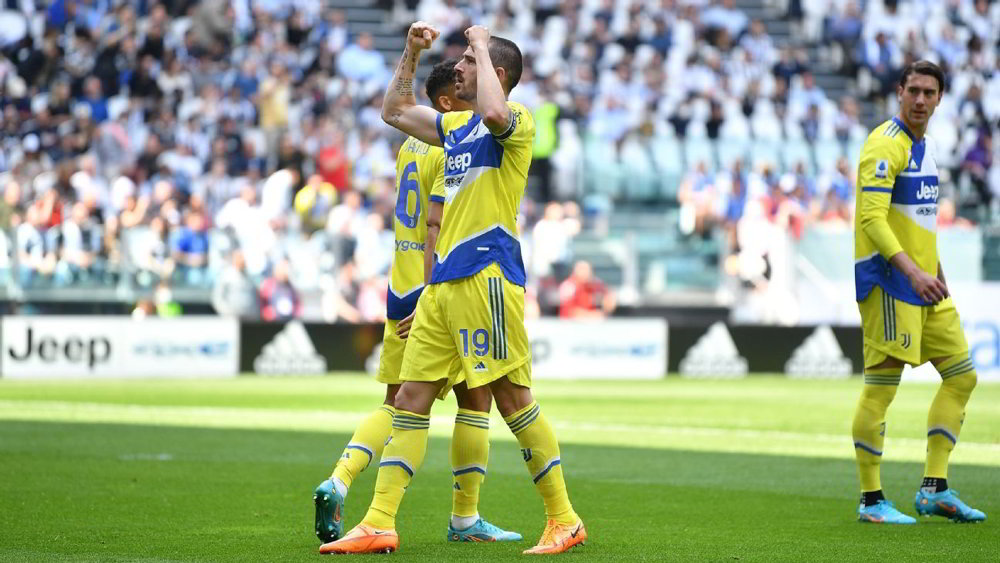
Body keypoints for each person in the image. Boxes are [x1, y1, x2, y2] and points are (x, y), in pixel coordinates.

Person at [321, 23, 585, 556]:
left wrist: (483, 46)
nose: (459, 65)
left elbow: (495, 113)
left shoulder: (516, 122)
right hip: (442, 286)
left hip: (487, 276)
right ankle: (378, 522)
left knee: (512, 401)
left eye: (467, 60)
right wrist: (411, 54)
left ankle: (564, 519)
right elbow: (393, 112)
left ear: (496, 72)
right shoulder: (455, 131)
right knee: (411, 400)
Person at [313, 60, 520, 547]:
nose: (475, 97)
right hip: (436, 289)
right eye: (463, 90)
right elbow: (435, 223)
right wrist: (433, 298)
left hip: (399, 284)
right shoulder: (446, 143)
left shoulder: (410, 142)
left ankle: (340, 478)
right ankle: (463, 518)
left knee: (398, 401)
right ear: (446, 102)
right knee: (474, 398)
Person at [851, 61, 985, 525]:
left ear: (940, 98)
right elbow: (872, 219)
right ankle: (871, 501)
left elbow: (920, 221)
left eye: (930, 92)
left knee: (962, 377)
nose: (921, 100)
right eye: (914, 91)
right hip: (891, 284)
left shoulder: (922, 147)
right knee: (881, 390)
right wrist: (912, 272)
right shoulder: (885, 143)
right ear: (899, 91)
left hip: (927, 285)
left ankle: (934, 488)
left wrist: (936, 271)